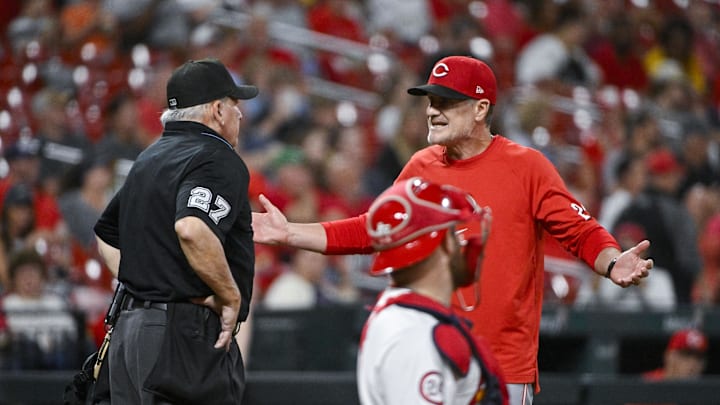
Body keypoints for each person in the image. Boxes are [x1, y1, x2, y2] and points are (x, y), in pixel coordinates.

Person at [252, 55, 654, 404]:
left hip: (502, 362)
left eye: (446, 101)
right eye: (430, 101)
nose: (432, 110)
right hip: (430, 351)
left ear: (480, 109)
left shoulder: (526, 166)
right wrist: (290, 233)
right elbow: (371, 230)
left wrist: (612, 261)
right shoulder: (421, 166)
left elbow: (580, 231)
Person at [93, 58, 258, 404]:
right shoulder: (216, 156)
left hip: (129, 333)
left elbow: (107, 234)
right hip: (180, 335)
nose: (240, 114)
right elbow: (192, 227)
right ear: (217, 110)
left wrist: (145, 282)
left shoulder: (150, 158)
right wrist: (230, 296)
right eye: (235, 105)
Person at [357, 177, 508, 405]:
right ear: (445, 243)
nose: (463, 245)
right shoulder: (412, 333)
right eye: (456, 235)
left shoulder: (407, 316)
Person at [643, 328, 708, 381]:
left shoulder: (707, 392)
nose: (693, 363)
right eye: (686, 355)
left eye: (699, 358)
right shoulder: (647, 383)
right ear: (668, 356)